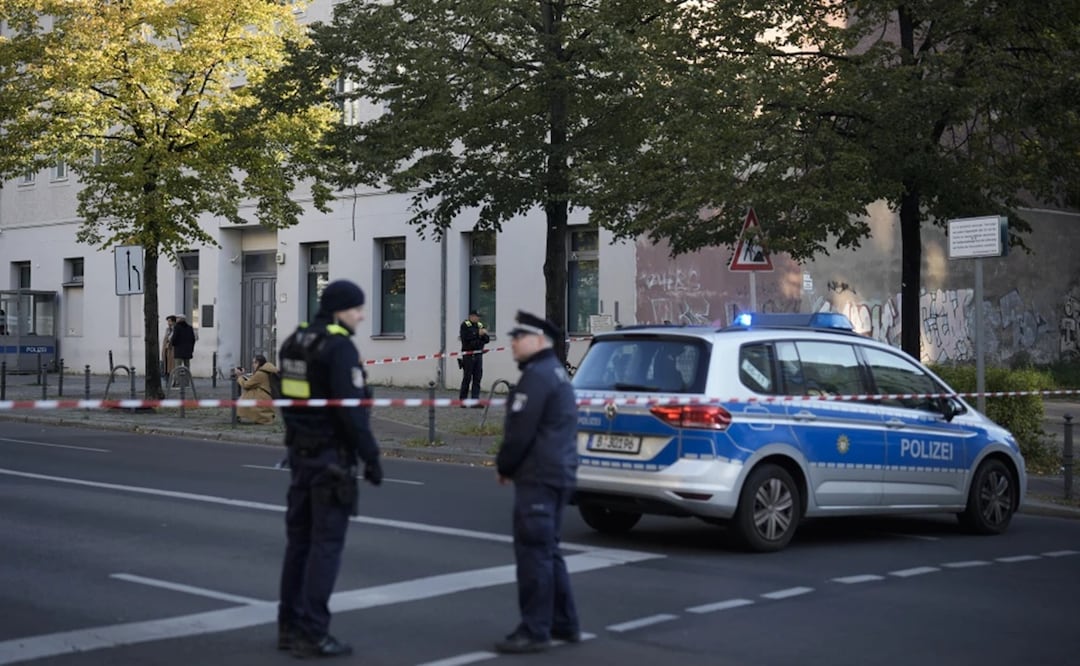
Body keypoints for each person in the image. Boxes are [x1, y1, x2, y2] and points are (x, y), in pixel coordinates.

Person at [276, 279, 383, 659]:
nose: (362, 315)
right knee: (325, 547)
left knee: (299, 545)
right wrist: (370, 456)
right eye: (357, 309)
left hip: (300, 456)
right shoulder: (338, 348)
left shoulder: (296, 342)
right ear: (340, 310)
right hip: (330, 462)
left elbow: (285, 399)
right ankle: (313, 632)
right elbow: (350, 410)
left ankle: (288, 627)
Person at [493, 310, 581, 654]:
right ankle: (564, 622)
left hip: (539, 476)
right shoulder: (555, 373)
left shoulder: (537, 377)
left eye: (518, 338)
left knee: (534, 555)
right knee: (548, 552)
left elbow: (520, 431)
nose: (513, 344)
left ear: (538, 340)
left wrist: (505, 465)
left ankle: (535, 629)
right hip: (557, 473)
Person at [233, 354, 279, 425]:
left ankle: (239, 414)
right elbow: (254, 381)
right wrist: (243, 375)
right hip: (268, 397)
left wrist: (239, 376)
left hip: (263, 397)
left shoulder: (260, 373)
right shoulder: (267, 371)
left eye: (254, 362)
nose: (252, 365)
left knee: (248, 394)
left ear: (258, 363)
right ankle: (264, 417)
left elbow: (246, 385)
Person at [458, 309, 490, 404]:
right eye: (476, 316)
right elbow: (467, 338)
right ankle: (463, 400)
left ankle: (475, 400)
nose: (477, 318)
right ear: (471, 316)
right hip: (468, 355)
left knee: (477, 378)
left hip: (478, 354)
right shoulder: (465, 325)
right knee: (467, 378)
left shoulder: (480, 325)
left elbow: (486, 339)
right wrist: (477, 334)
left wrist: (481, 336)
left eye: (478, 317)